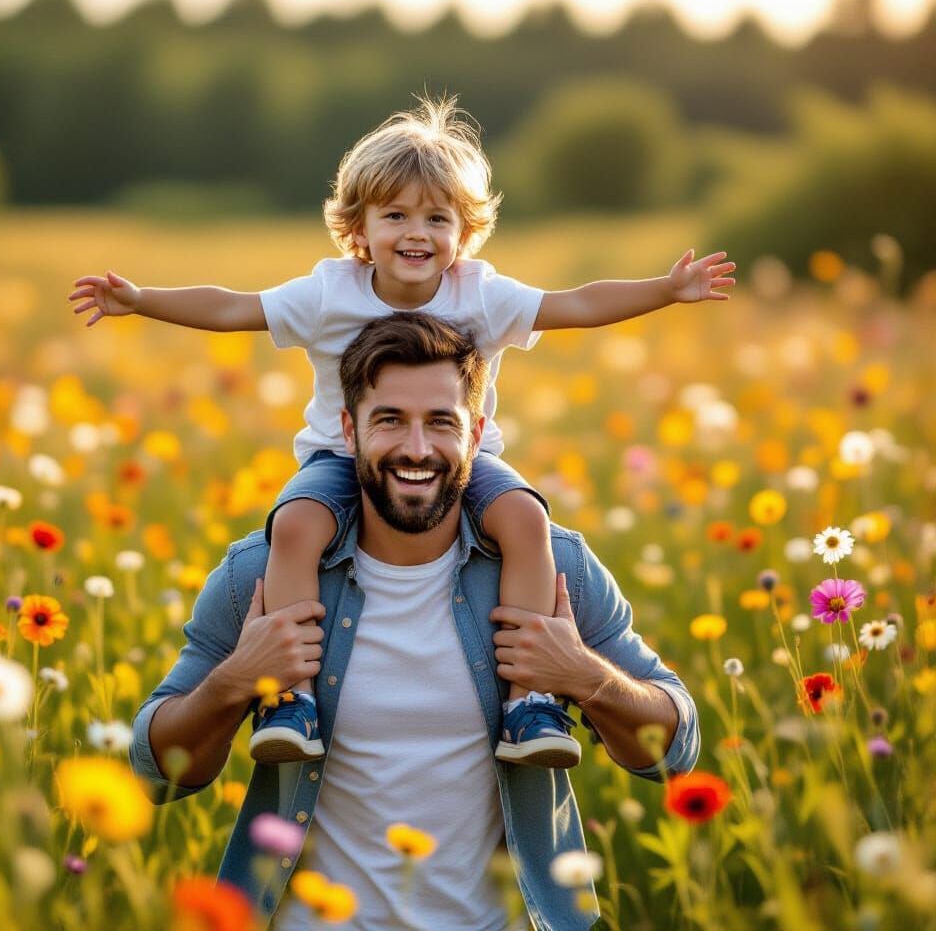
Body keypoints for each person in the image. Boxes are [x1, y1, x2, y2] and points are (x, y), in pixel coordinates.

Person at [79, 94, 731, 770]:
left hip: (468, 462)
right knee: (296, 525)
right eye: (395, 215)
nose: (416, 233)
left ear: (464, 232)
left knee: (525, 518)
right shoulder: (329, 293)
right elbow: (231, 308)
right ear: (358, 228)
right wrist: (140, 300)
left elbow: (578, 303)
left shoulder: (481, 294)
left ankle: (531, 702)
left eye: (436, 218)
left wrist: (666, 289)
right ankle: (289, 699)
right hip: (339, 457)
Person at [128, 311, 701, 930]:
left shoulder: (553, 569)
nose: (417, 449)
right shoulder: (262, 575)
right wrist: (235, 680)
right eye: (390, 420)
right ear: (348, 430)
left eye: (441, 423)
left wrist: (584, 676)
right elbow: (155, 772)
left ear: (476, 434)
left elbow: (676, 749)